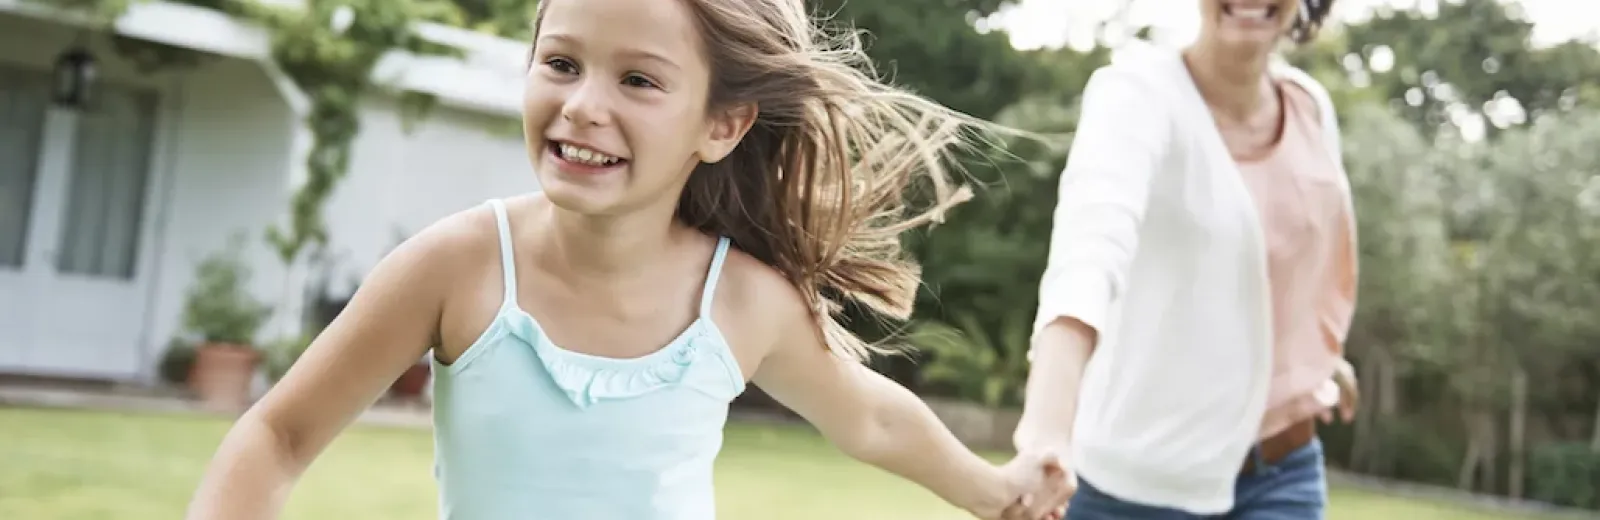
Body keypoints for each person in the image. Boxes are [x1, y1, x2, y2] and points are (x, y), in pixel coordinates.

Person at [183, 0, 1073, 519]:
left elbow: (871, 419)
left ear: (722, 125)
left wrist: (997, 493)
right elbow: (277, 436)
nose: (582, 106)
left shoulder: (740, 302)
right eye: (561, 64)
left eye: (638, 80)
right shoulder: (459, 267)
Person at [1010, 0, 1359, 518]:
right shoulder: (1137, 94)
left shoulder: (1310, 107)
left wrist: (1311, 356)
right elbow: (1087, 258)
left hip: (1283, 472)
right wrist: (1046, 429)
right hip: (1136, 485)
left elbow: (1284, 258)